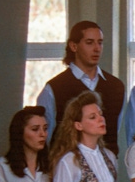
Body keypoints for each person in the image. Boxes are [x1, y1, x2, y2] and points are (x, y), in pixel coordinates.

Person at [37, 21, 125, 155]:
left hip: (105, 166)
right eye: (89, 42)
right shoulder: (55, 87)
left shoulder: (116, 87)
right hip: (66, 166)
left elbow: (113, 131)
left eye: (100, 42)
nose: (97, 48)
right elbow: (44, 136)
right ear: (74, 46)